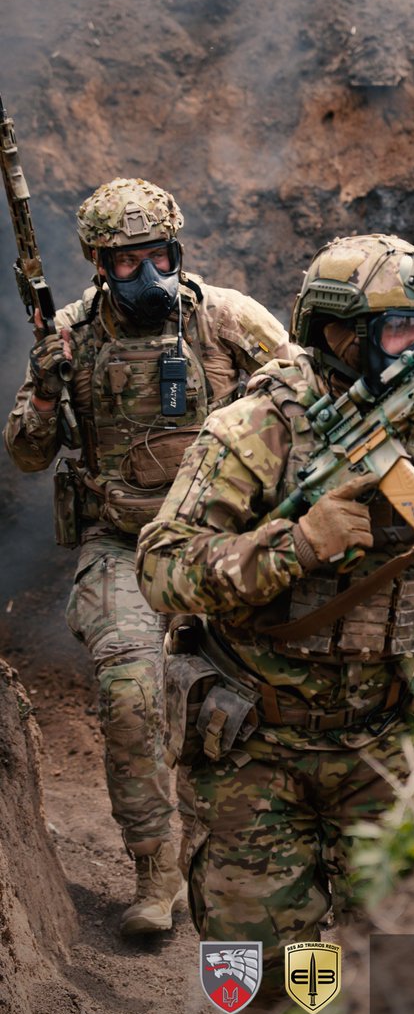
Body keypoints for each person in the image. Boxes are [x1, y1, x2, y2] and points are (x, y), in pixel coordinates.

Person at [134, 232, 414, 1014]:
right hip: (256, 751)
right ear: (338, 334)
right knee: (272, 993)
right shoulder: (253, 429)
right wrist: (295, 545)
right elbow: (162, 568)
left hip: (391, 739)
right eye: (403, 330)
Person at [4, 177, 288, 937]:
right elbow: (27, 454)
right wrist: (44, 391)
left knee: (255, 701)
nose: (146, 274)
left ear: (177, 249)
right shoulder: (71, 336)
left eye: (157, 255)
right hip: (121, 542)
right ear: (99, 264)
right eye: (127, 262)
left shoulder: (226, 318)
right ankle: (156, 871)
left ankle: (245, 862)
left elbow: (307, 400)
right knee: (131, 692)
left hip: (217, 539)